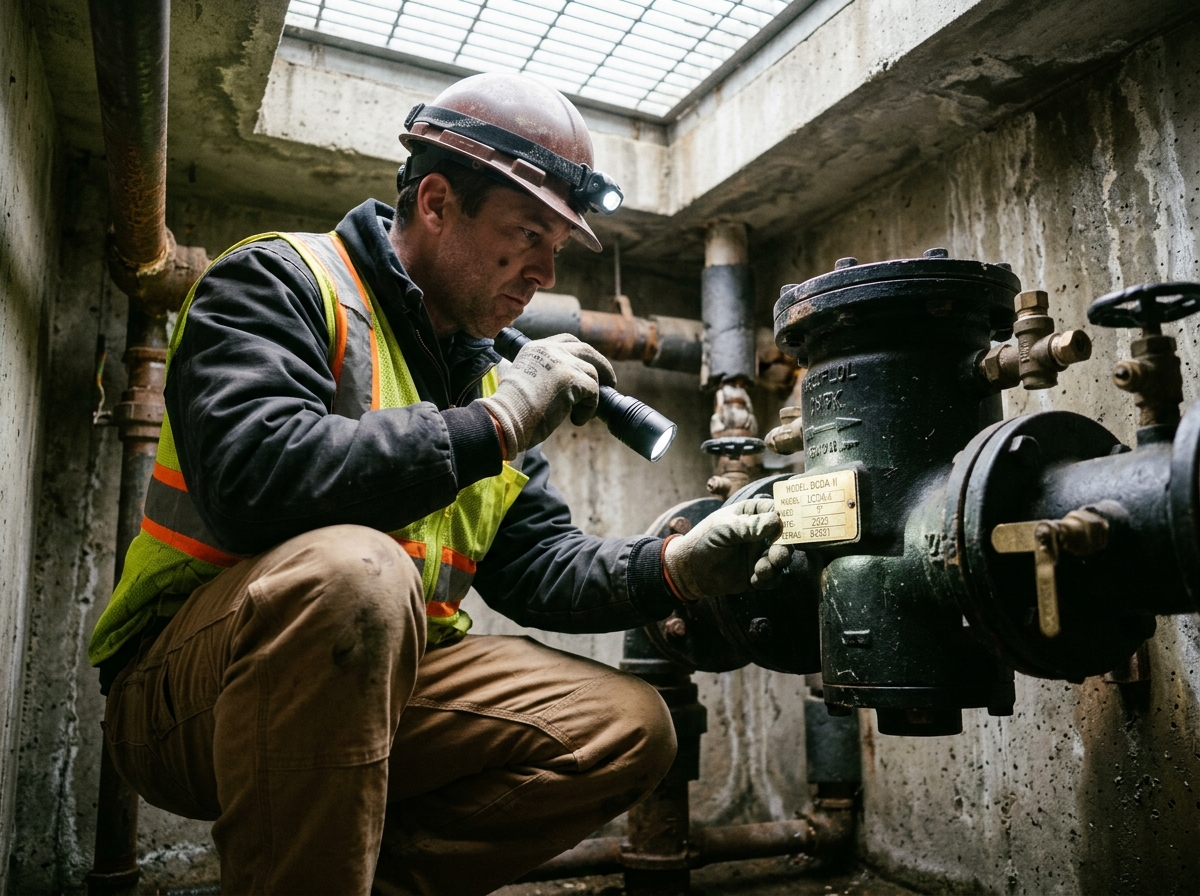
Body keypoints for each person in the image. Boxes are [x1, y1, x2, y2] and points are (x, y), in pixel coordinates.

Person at [88, 72, 791, 894]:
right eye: (527, 234)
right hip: (185, 689)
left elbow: (536, 565)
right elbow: (253, 476)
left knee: (630, 728)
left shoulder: (485, 378)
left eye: (555, 249)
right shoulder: (281, 283)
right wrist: (496, 426)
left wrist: (674, 569)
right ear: (434, 202)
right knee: (356, 572)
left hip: (385, 680)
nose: (543, 274)